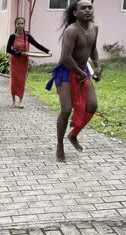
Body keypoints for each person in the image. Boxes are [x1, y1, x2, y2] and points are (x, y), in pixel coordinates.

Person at [45, 0, 102, 162]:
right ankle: (59, 144)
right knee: (66, 110)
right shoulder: (71, 30)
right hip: (66, 72)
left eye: (90, 7)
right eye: (83, 8)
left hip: (82, 72)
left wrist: (97, 67)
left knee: (92, 106)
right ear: (75, 12)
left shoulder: (94, 28)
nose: (88, 10)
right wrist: (79, 72)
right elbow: (65, 58)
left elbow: (93, 50)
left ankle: (73, 135)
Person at [7, 17, 50, 109]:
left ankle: (20, 101)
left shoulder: (27, 36)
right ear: (15, 24)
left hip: (23, 62)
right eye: (18, 23)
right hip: (15, 62)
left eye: (22, 23)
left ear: (24, 25)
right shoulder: (12, 36)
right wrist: (19, 53)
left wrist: (47, 51)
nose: (20, 25)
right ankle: (13, 101)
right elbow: (8, 49)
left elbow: (37, 45)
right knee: (14, 81)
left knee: (21, 81)